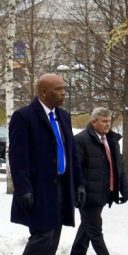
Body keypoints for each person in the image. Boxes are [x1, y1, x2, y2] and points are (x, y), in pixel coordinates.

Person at [9, 73, 85, 255]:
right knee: (43, 235)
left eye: (64, 88)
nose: (64, 93)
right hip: (38, 189)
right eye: (58, 89)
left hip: (62, 186)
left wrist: (79, 183)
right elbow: (17, 157)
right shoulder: (24, 116)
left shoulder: (63, 116)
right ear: (43, 92)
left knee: (54, 236)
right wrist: (23, 189)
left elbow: (71, 153)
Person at [70, 107, 128, 255]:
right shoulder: (81, 140)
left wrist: (125, 188)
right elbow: (76, 169)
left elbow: (119, 167)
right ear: (94, 121)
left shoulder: (112, 140)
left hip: (103, 194)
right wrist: (80, 188)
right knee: (95, 232)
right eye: (104, 121)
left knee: (87, 228)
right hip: (88, 197)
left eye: (109, 121)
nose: (108, 124)